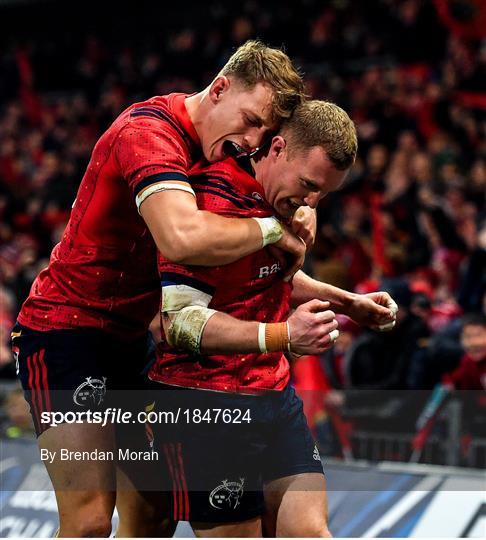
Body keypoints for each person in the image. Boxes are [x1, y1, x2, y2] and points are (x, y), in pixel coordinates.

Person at [11, 41, 313, 537]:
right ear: (219, 89)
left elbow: (284, 191)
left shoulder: (221, 153)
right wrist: (274, 229)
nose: (255, 140)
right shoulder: (148, 133)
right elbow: (183, 237)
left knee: (155, 516)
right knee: (88, 520)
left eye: (266, 133)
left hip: (134, 346)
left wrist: (302, 207)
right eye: (252, 119)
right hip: (66, 335)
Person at [150, 101, 398, 537]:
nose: (311, 202)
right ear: (278, 148)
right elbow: (180, 324)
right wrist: (285, 335)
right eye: (308, 185)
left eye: (324, 194)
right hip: (204, 402)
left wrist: (348, 302)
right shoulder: (209, 201)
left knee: (311, 533)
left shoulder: (282, 202)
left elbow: (267, 277)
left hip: (272, 395)